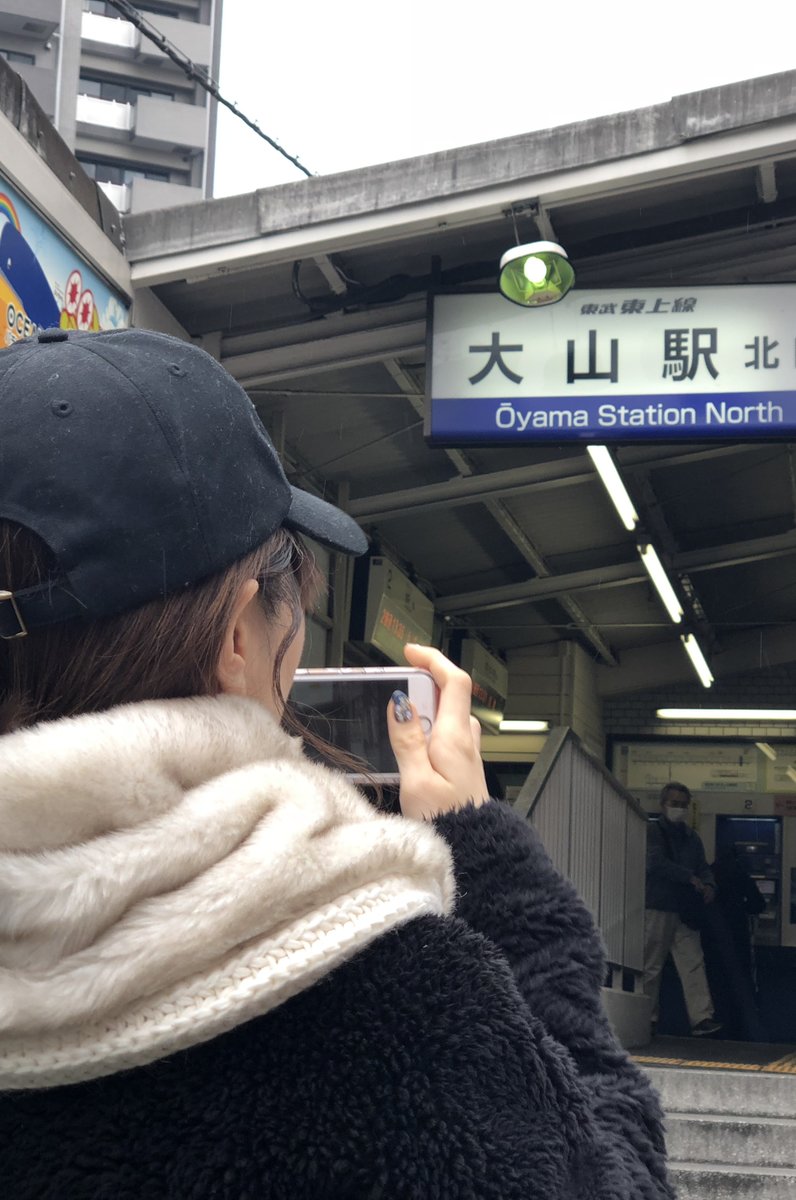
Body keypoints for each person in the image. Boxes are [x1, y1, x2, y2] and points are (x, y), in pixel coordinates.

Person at [0, 328, 673, 1199]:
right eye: (288, 578)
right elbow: (608, 1176)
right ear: (240, 634)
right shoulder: (396, 1007)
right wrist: (498, 873)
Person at [643, 781, 722, 1037]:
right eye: (674, 804)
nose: (678, 809)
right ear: (663, 804)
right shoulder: (652, 831)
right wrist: (690, 878)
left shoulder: (692, 838)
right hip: (660, 905)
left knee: (692, 963)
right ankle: (647, 1017)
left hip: (682, 910)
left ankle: (701, 1018)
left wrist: (709, 884)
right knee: (651, 965)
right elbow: (654, 863)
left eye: (682, 805)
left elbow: (703, 866)